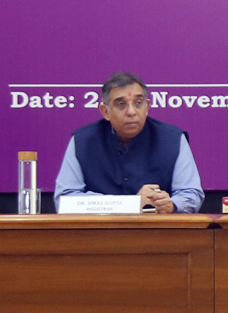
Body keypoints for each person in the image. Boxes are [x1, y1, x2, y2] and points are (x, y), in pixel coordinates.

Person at [55, 72, 203, 213]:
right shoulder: (83, 141)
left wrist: (172, 204)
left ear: (147, 107)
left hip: (156, 229)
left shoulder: (173, 139)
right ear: (105, 111)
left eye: (138, 103)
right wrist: (130, 204)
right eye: (121, 104)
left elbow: (191, 194)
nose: (131, 112)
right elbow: (64, 199)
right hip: (100, 229)